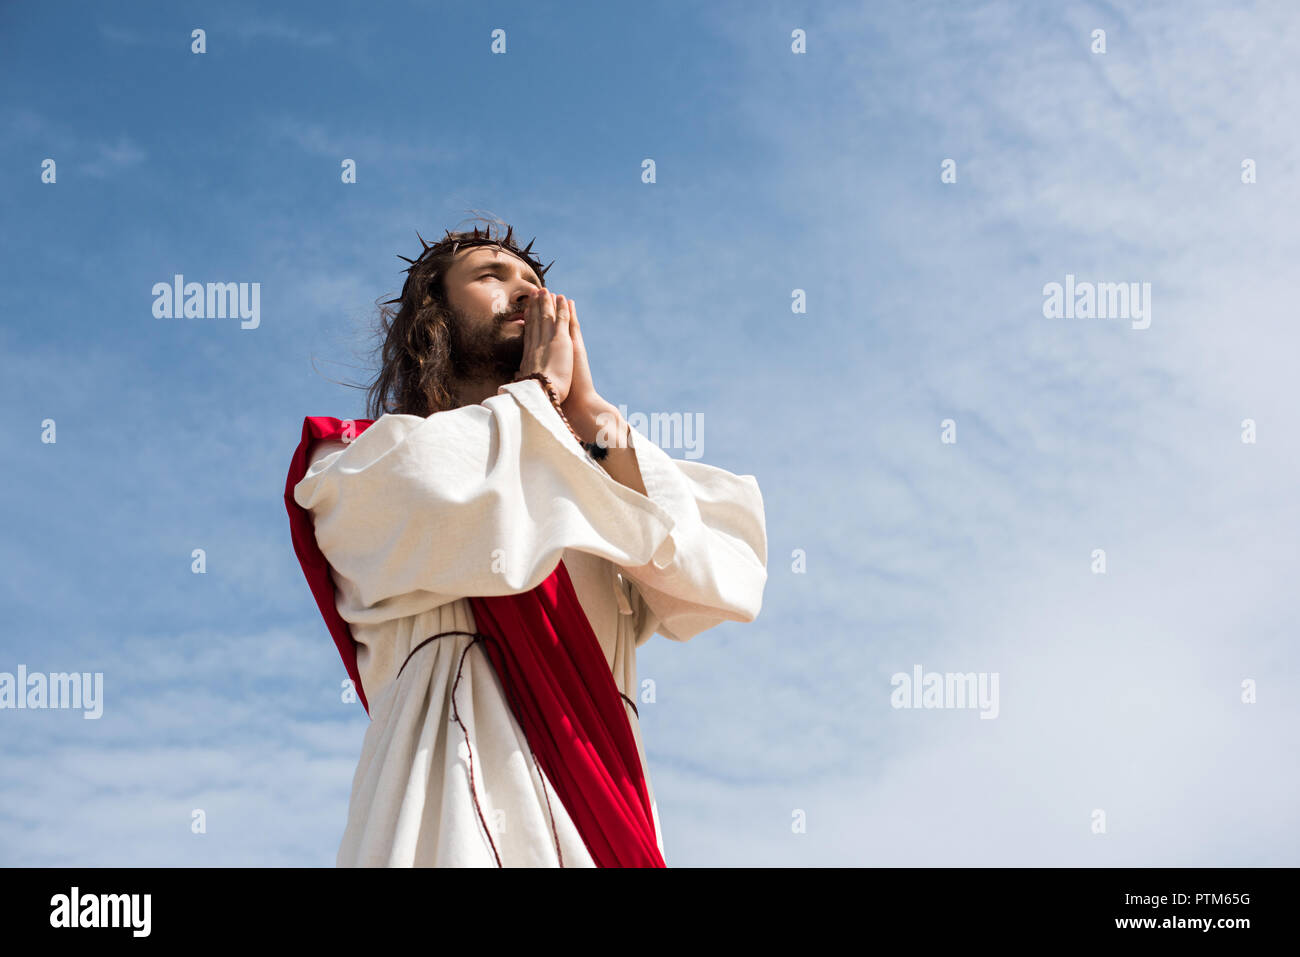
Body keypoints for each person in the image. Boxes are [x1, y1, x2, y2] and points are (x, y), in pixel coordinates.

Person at [287, 221, 768, 866]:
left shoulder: (593, 491)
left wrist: (592, 412)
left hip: (603, 809)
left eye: (535, 283)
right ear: (431, 319)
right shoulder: (358, 459)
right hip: (452, 795)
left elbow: (713, 582)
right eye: (492, 275)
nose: (526, 293)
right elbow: (449, 499)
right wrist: (538, 395)